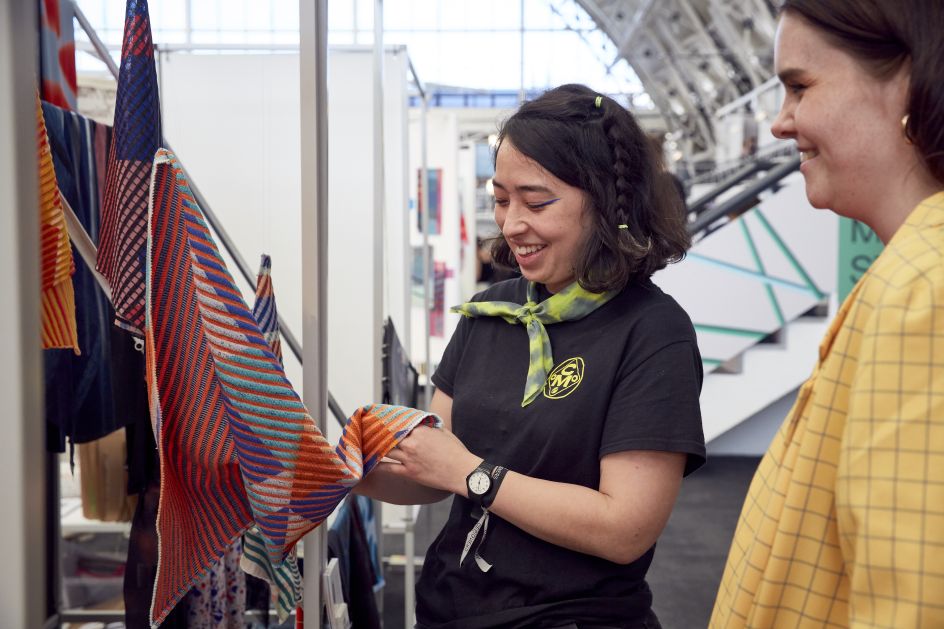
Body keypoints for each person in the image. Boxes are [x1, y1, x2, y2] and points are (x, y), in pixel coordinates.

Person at [355, 83, 705, 628]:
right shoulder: (491, 312)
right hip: (450, 610)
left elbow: (625, 529)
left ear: (607, 204)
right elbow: (432, 473)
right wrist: (342, 470)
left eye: (536, 202)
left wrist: (472, 474)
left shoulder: (651, 332)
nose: (512, 223)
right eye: (500, 199)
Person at [710, 1, 944, 627]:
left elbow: (914, 605)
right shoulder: (912, 275)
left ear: (910, 83)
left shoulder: (924, 291)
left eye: (799, 87)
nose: (780, 122)